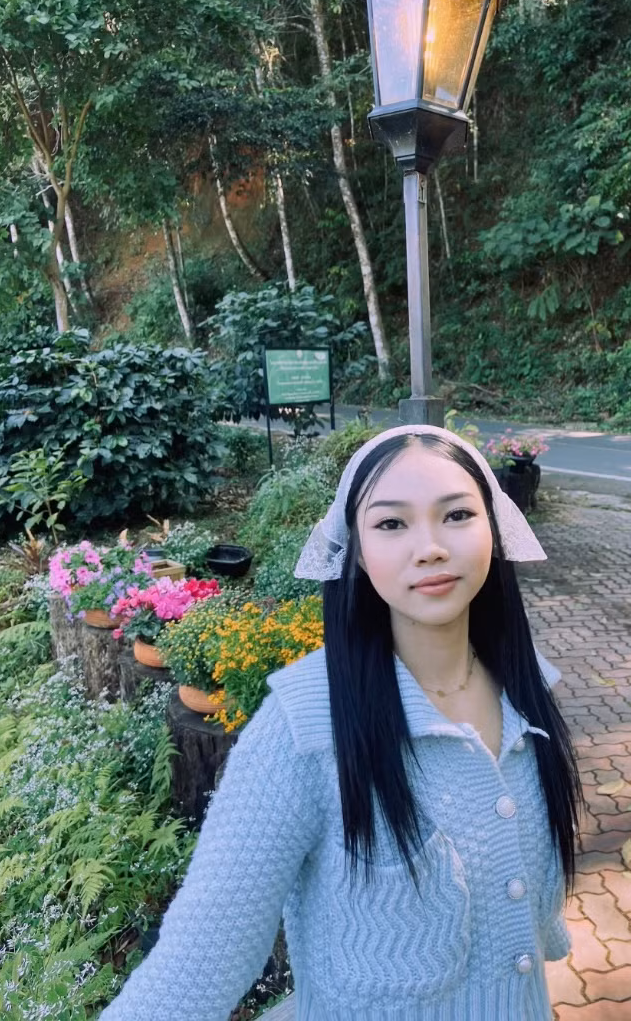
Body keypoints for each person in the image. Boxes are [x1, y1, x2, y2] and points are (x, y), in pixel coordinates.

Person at [98, 423, 581, 1021]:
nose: (430, 547)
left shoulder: (528, 694)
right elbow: (194, 966)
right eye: (391, 523)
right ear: (353, 548)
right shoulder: (302, 728)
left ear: (495, 528)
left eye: (457, 515)